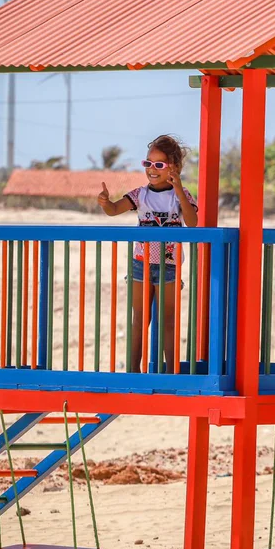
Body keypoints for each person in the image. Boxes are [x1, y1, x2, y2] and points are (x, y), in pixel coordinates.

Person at [98, 134, 197, 373]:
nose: (152, 169)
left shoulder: (180, 196)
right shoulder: (139, 195)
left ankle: (171, 373)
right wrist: (105, 202)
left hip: (169, 266)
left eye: (159, 165)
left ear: (173, 167)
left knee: (168, 321)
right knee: (140, 319)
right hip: (140, 265)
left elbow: (193, 223)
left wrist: (180, 190)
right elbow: (113, 210)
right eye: (148, 163)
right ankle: (133, 371)